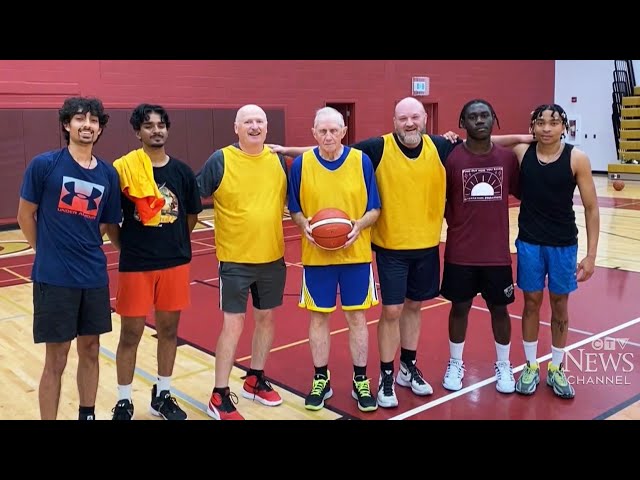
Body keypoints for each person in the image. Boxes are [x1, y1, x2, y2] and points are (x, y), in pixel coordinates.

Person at [271, 97, 529, 408]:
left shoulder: (441, 146)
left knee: (414, 307)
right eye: (403, 118)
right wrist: (286, 151)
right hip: (391, 247)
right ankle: (386, 375)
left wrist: (529, 138)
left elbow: (482, 139)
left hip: (426, 245)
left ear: (424, 120)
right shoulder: (377, 148)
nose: (409, 123)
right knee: (391, 311)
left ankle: (408, 366)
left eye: (415, 117)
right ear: (394, 121)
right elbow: (330, 148)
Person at [16, 96, 121, 420]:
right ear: (67, 124)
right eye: (79, 119)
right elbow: (25, 216)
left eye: (93, 120)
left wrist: (84, 245)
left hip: (93, 277)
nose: (86, 125)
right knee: (56, 358)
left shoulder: (107, 173)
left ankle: (86, 414)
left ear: (100, 128)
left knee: (90, 350)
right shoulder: (44, 165)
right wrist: (46, 251)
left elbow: (106, 221)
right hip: (54, 278)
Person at [110, 104, 203, 420]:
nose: (156, 130)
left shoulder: (182, 172)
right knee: (130, 334)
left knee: (169, 331)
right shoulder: (124, 169)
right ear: (138, 132)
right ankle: (124, 400)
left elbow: (190, 216)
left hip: (174, 264)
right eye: (148, 126)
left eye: (161, 125)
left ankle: (162, 395)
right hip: (136, 265)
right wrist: (129, 247)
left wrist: (172, 242)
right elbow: (111, 221)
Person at [197, 104, 287, 420]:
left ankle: (254, 378)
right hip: (236, 260)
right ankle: (219, 395)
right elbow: (195, 194)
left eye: (259, 121)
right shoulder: (221, 159)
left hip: (273, 257)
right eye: (247, 121)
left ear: (266, 127)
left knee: (266, 320)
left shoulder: (277, 160)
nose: (254, 126)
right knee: (233, 325)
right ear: (236, 128)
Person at [288, 106, 381, 412]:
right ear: (313, 133)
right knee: (318, 317)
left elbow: (375, 209)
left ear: (343, 132)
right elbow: (295, 209)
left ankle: (360, 380)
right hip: (316, 256)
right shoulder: (301, 164)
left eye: (334, 130)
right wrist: (304, 225)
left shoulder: (361, 161)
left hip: (355, 254)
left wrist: (359, 225)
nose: (328, 136)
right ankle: (320, 379)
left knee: (357, 318)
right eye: (322, 131)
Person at [510, 104, 600, 399]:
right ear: (532, 127)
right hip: (530, 242)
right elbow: (493, 141)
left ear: (564, 126)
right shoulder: (524, 153)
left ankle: (558, 368)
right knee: (531, 303)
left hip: (563, 244)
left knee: (560, 306)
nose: (547, 128)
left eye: (554, 123)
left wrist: (591, 255)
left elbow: (591, 207)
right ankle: (531, 366)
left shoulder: (577, 158)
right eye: (540, 123)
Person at [439, 99, 520, 394]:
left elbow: (526, 192)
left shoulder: (507, 159)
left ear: (494, 118)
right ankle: (455, 363)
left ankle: (504, 366)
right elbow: (442, 200)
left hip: (497, 254)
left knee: (500, 310)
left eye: (485, 115)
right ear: (463, 122)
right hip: (460, 252)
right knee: (459, 308)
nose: (479, 121)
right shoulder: (451, 159)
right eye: (472, 117)